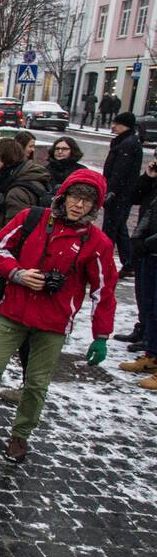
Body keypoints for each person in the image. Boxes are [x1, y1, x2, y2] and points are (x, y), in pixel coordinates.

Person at [0, 170, 117, 462]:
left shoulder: (98, 243)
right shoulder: (34, 218)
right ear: (64, 196)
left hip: (52, 323)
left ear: (95, 207)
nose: (79, 205)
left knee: (36, 383)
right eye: (76, 197)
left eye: (87, 202)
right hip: (14, 310)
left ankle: (21, 434)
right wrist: (17, 273)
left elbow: (103, 290)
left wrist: (101, 335)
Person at [118, 159, 157, 388]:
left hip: (151, 248)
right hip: (147, 252)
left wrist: (149, 243)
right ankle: (151, 354)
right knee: (149, 305)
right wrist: (148, 176)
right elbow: (136, 199)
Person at [102, 112, 144, 278]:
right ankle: (128, 263)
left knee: (110, 230)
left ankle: (105, 265)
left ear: (124, 125)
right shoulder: (127, 141)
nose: (113, 126)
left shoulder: (127, 144)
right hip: (122, 194)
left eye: (116, 123)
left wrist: (110, 191)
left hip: (119, 195)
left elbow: (119, 171)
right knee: (119, 228)